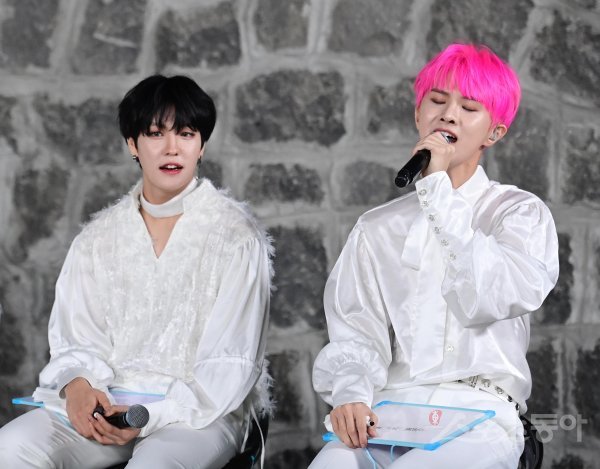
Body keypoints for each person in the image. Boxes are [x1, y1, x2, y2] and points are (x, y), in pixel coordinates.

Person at [0, 75, 273, 468]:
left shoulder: (236, 237)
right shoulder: (97, 239)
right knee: (10, 447)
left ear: (201, 146)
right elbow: (77, 341)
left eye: (186, 134)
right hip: (109, 406)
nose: (172, 148)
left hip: (200, 415)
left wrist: (151, 417)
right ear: (133, 144)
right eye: (155, 133)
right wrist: (78, 385)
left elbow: (229, 365)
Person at [309, 43, 559, 468]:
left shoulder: (519, 213)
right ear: (418, 115)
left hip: (480, 414)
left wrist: (438, 189)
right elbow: (356, 331)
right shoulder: (377, 226)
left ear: (495, 132)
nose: (449, 115)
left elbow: (485, 297)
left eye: (469, 107)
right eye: (437, 101)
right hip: (390, 412)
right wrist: (351, 393)